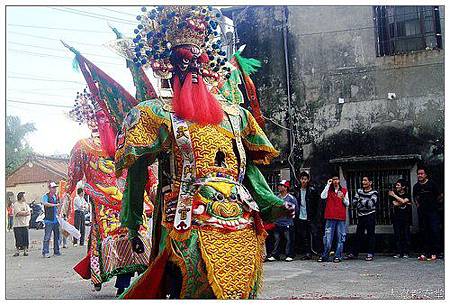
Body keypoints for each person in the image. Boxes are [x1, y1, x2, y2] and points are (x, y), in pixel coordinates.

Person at [114, 5, 294, 299]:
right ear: (169, 66)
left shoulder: (236, 115)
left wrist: (273, 202)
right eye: (185, 63)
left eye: (198, 63)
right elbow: (136, 173)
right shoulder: (155, 114)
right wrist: (132, 224)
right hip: (186, 217)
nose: (194, 70)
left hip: (240, 216)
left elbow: (249, 169)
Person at [345, 176, 378, 261]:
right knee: (359, 234)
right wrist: (364, 202)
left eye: (365, 180)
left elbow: (371, 204)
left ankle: (370, 253)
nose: (363, 182)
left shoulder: (374, 192)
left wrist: (360, 200)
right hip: (361, 216)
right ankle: (354, 253)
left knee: (371, 234)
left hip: (370, 215)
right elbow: (354, 203)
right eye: (363, 180)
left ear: (370, 182)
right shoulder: (359, 191)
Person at [413, 167, 443, 261]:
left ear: (425, 175)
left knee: (434, 231)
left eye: (422, 174)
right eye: (418, 174)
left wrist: (435, 205)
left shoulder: (432, 184)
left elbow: (440, 196)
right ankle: (425, 252)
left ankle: (436, 252)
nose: (420, 175)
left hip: (433, 212)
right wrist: (418, 205)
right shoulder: (416, 186)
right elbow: (415, 197)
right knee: (424, 232)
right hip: (422, 213)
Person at [318, 175, 349, 263]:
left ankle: (338, 256)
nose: (335, 181)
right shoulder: (329, 190)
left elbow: (347, 204)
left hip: (340, 217)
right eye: (333, 180)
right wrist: (327, 185)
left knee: (340, 238)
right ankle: (325, 255)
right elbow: (322, 196)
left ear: (339, 181)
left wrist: (343, 198)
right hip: (330, 216)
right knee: (328, 238)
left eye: (337, 179)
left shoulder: (344, 191)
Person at [267, 180, 298, 262]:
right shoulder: (276, 197)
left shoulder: (291, 198)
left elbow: (296, 209)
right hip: (278, 222)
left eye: (281, 185)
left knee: (288, 239)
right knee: (276, 239)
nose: (279, 187)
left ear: (286, 188)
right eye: (279, 185)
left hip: (287, 222)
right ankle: (275, 255)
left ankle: (289, 254)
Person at [294, 171, 320, 260]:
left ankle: (316, 251)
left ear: (308, 180)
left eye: (305, 179)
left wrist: (315, 215)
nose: (304, 181)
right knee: (304, 235)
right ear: (300, 180)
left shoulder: (312, 190)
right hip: (301, 215)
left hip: (310, 215)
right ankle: (307, 252)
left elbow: (317, 204)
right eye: (302, 179)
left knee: (314, 234)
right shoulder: (297, 190)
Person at [388, 179, 411, 259]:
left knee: (406, 235)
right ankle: (398, 252)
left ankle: (406, 252)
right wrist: (402, 201)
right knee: (397, 235)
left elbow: (404, 201)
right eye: (396, 185)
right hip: (396, 218)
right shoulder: (393, 196)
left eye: (398, 185)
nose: (396, 186)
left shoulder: (407, 194)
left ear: (403, 186)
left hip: (406, 218)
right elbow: (395, 203)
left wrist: (395, 196)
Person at [41, 181, 61, 258]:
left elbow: (59, 206)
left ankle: (56, 251)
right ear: (49, 188)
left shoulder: (56, 196)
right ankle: (45, 252)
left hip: (56, 220)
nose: (55, 189)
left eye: (55, 188)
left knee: (57, 236)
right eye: (53, 188)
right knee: (47, 237)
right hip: (49, 220)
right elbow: (45, 203)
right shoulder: (45, 196)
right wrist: (56, 205)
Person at [12, 192, 31, 256]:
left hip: (25, 224)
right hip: (17, 225)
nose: (25, 197)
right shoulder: (16, 204)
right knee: (18, 238)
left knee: (25, 238)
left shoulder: (25, 204)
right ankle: (17, 251)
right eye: (24, 196)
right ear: (21, 197)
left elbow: (28, 212)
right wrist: (24, 213)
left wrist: (24, 213)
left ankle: (25, 251)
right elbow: (18, 213)